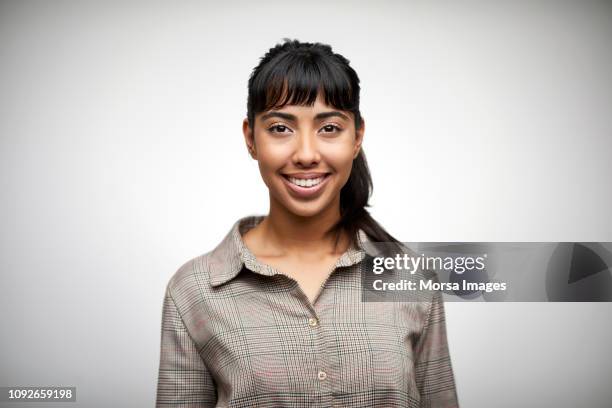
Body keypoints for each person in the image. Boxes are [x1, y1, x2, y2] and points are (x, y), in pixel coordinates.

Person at [155, 38, 459, 407]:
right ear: (250, 139)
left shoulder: (410, 278)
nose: (306, 154)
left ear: (357, 137)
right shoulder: (194, 290)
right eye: (281, 128)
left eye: (329, 128)